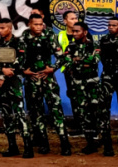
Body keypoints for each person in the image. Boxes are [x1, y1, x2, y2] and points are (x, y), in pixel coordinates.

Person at [20, 13, 71, 155]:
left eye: (41, 24)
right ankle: (43, 144)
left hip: (48, 80)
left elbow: (62, 57)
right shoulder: (24, 38)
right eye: (36, 24)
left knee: (56, 111)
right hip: (32, 80)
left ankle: (64, 143)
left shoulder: (49, 35)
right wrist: (25, 71)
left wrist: (52, 68)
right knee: (37, 113)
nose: (39, 27)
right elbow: (18, 59)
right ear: (30, 24)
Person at [58, 21, 111, 155]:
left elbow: (94, 60)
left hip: (92, 85)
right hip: (77, 86)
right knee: (83, 115)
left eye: (77, 31)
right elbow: (66, 61)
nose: (74, 33)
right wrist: (80, 61)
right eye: (73, 31)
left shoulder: (94, 45)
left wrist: (77, 60)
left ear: (85, 32)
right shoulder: (70, 46)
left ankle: (107, 145)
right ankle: (90, 144)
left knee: (99, 115)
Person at [0, 17, 34, 158]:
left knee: (20, 114)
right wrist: (2, 71)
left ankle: (28, 147)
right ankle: (12, 146)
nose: (0, 30)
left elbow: (21, 62)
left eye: (3, 28)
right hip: (0, 84)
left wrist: (6, 73)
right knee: (6, 114)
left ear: (10, 28)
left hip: (14, 81)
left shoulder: (19, 43)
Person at [98, 17, 118, 147]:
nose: (111, 27)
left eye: (114, 25)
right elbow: (102, 57)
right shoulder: (104, 40)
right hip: (108, 77)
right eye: (109, 25)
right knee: (104, 106)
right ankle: (105, 135)